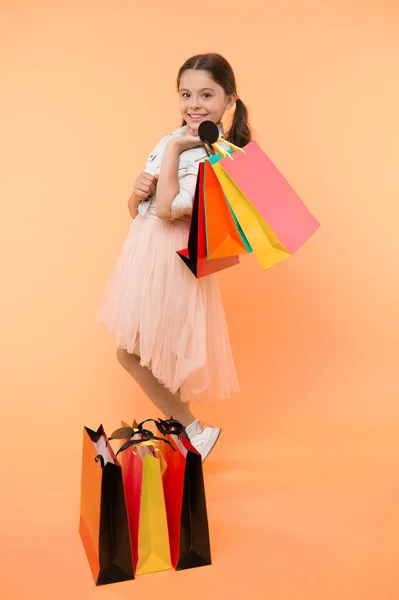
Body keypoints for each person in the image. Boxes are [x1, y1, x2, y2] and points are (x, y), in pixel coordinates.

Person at [96, 53, 252, 460]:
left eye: (207, 94)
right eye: (186, 94)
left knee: (134, 352)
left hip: (173, 261)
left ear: (229, 100)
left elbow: (167, 210)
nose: (194, 104)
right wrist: (135, 192)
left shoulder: (216, 155)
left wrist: (176, 150)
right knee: (160, 357)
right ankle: (186, 447)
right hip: (145, 256)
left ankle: (195, 432)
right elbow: (140, 210)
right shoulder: (171, 138)